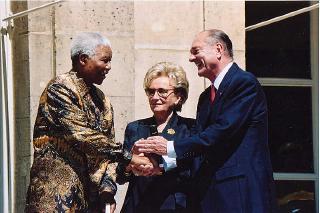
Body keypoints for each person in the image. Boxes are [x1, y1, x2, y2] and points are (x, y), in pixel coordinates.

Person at [135, 29, 278, 212]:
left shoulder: (243, 83)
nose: (190, 58)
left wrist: (169, 147)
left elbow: (220, 132)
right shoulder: (205, 97)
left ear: (218, 49)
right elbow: (198, 147)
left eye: (196, 51)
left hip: (240, 193)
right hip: (212, 195)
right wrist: (161, 165)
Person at [25, 32, 153, 213]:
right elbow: (81, 135)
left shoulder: (103, 101)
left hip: (90, 202)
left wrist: (107, 190)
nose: (109, 67)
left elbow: (107, 155)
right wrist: (129, 156)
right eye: (104, 60)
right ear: (83, 59)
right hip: (54, 199)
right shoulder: (60, 88)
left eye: (110, 61)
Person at [118, 62, 196, 213]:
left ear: (178, 96)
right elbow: (120, 175)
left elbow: (191, 170)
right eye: (151, 91)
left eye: (162, 91)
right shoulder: (135, 128)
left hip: (173, 206)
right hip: (138, 205)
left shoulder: (189, 128)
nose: (155, 97)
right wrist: (131, 163)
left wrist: (160, 165)